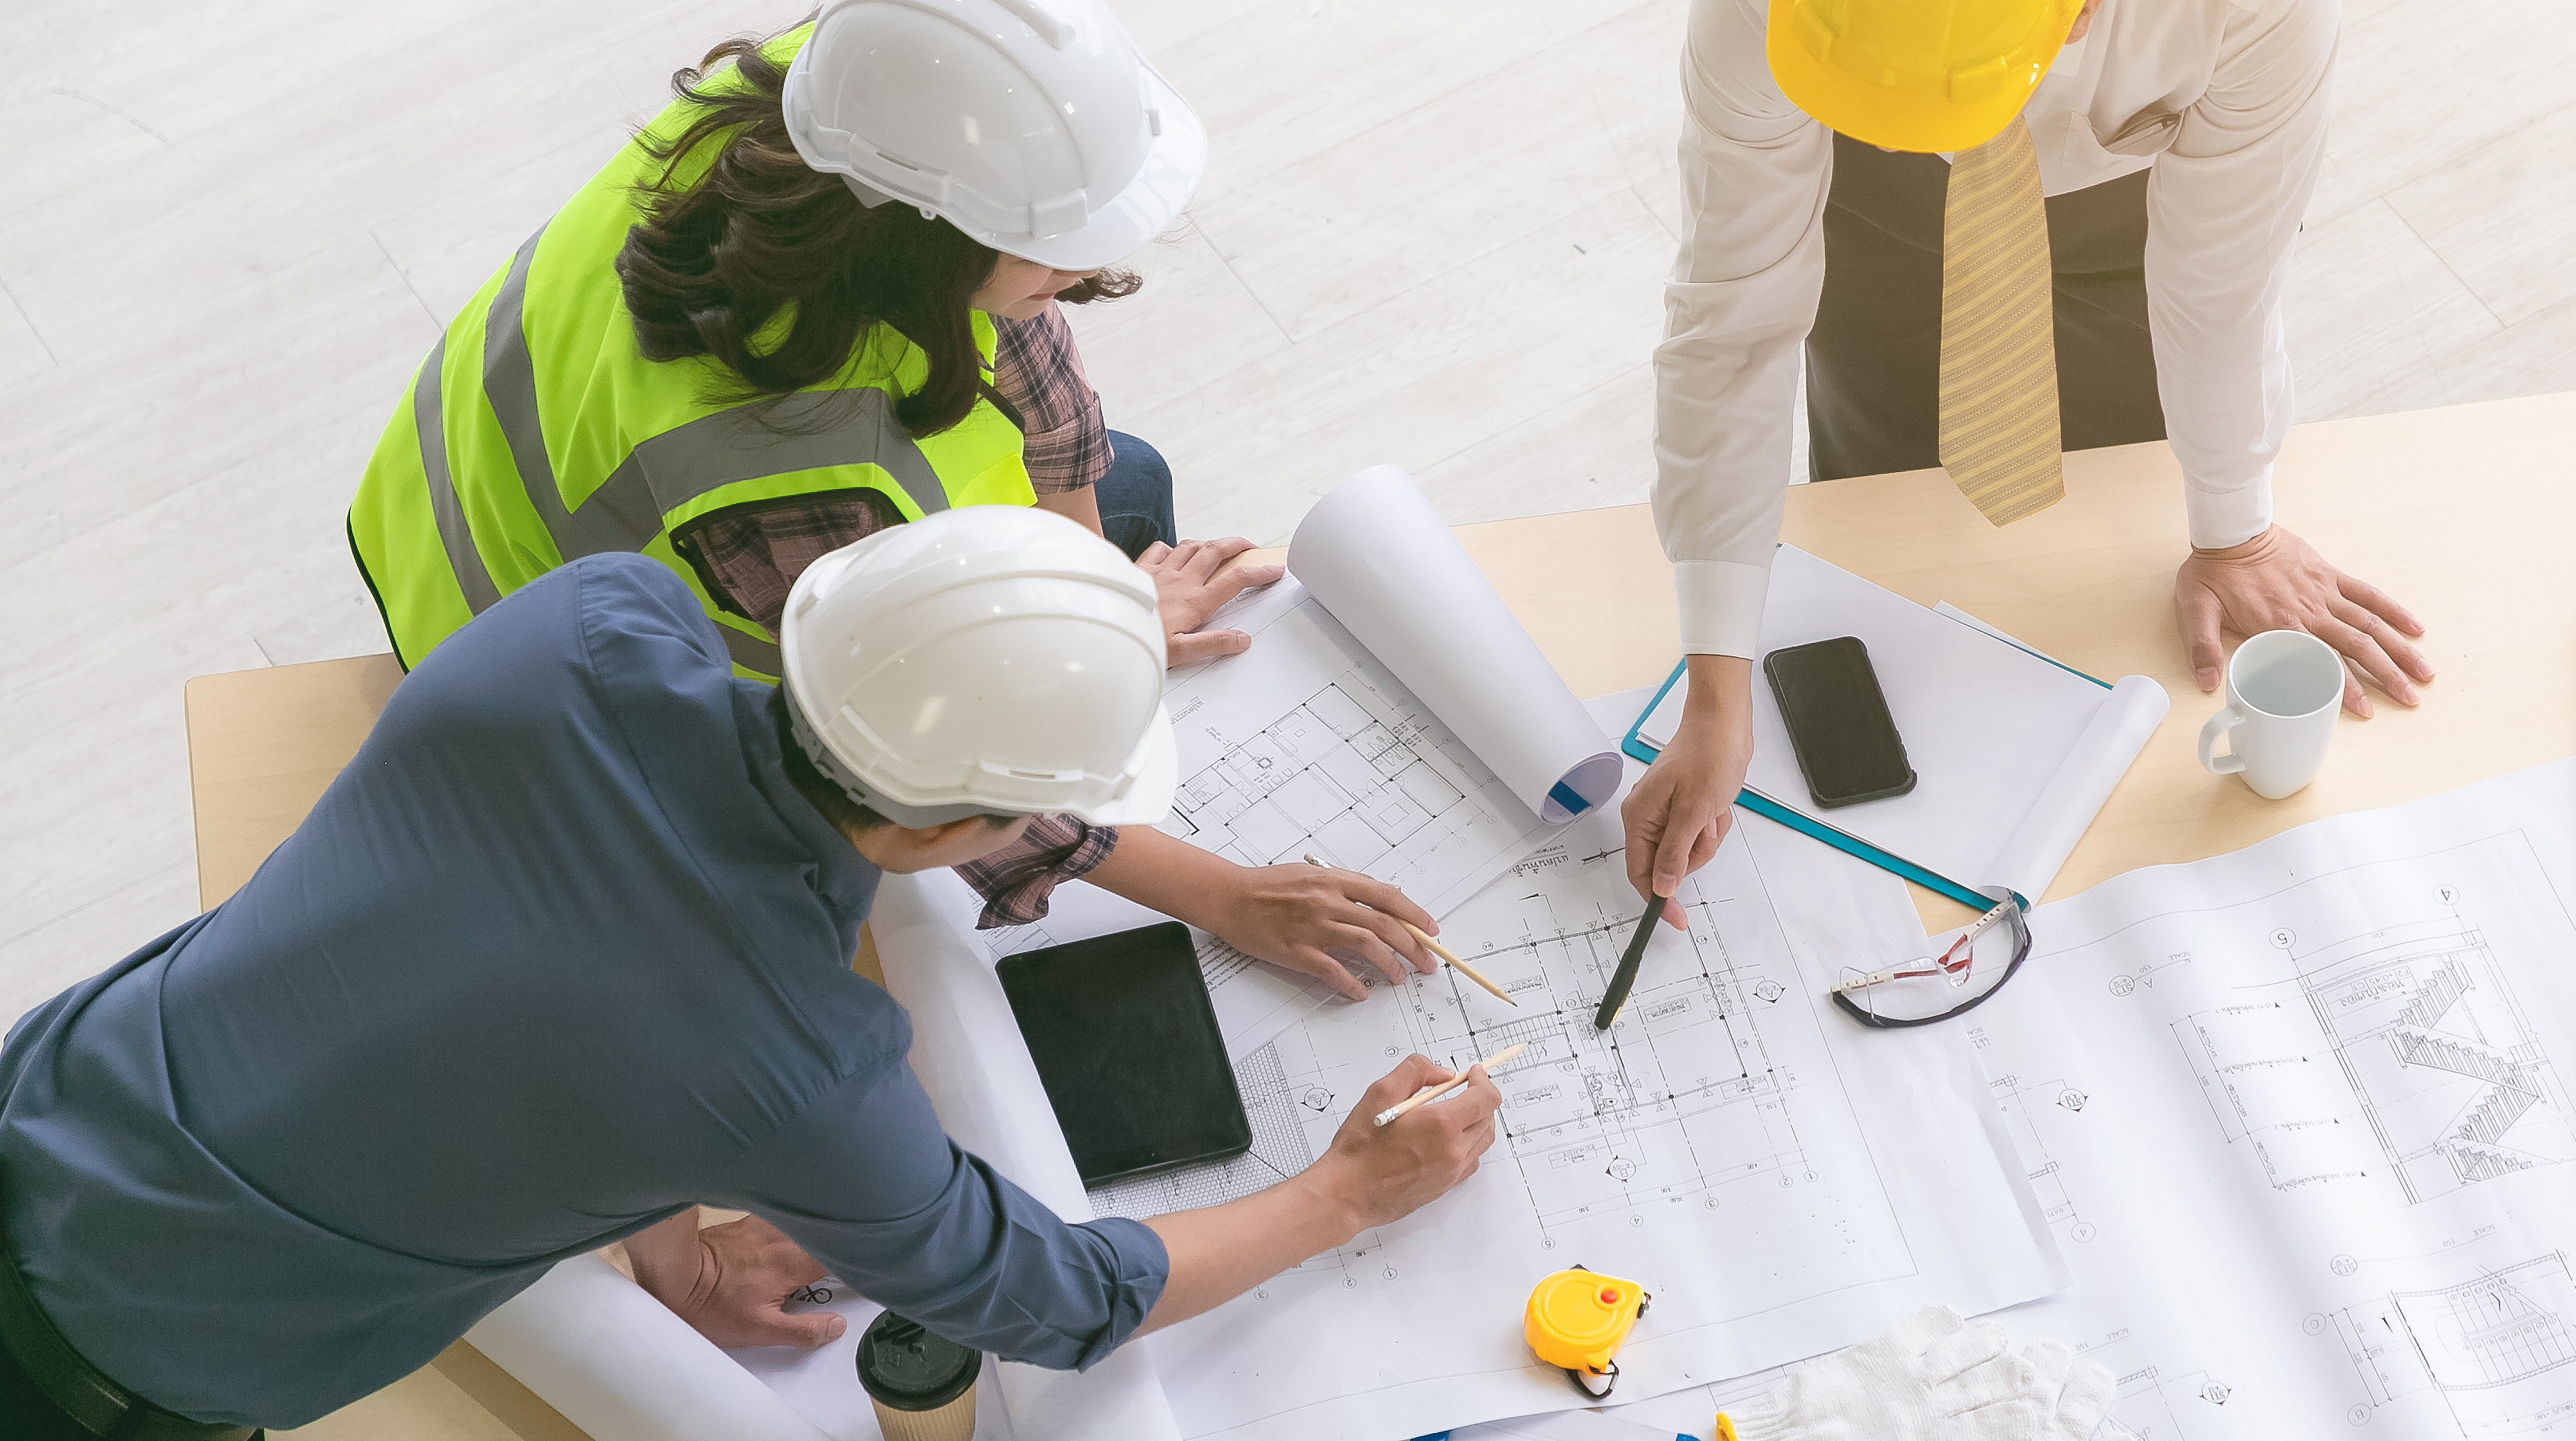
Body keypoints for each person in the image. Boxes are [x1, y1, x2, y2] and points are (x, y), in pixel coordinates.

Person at [0, 510, 1504, 1439]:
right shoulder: (801, 1061)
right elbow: (1055, 1297)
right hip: (118, 1370)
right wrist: (1347, 1192)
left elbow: (530, 971)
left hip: (43, 1108)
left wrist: (667, 1242)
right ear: (963, 831)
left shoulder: (587, 625)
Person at [345, 0, 1331, 941]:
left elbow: (1030, 340)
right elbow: (925, 765)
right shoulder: (784, 467)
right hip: (531, 665)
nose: (1079, 277)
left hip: (476, 487)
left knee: (1127, 479)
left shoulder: (865, 98)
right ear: (926, 243)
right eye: (1052, 254)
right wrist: (1227, 897)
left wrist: (1107, 610)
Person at [1626, 0, 2436, 924]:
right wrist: (1717, 679)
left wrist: (2236, 532)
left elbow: (2218, 286)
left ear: (2084, 12)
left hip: (2135, 170)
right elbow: (1732, 314)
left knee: (2120, 475)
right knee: (1893, 493)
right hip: (1863, 162)